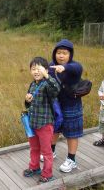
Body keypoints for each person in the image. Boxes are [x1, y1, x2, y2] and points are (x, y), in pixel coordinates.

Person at [23, 57, 60, 183]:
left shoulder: (47, 84)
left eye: (39, 69)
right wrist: (27, 101)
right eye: (33, 69)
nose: (36, 71)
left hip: (45, 124)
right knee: (34, 148)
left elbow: (56, 89)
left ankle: (47, 174)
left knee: (46, 151)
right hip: (33, 123)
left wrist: (48, 76)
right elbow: (29, 106)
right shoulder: (32, 84)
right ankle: (34, 167)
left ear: (46, 70)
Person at [49, 39, 83, 173]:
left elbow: (76, 68)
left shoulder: (74, 66)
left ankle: (71, 160)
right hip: (56, 104)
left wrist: (64, 67)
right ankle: (51, 152)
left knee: (72, 133)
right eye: (58, 53)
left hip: (71, 105)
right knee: (54, 128)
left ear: (70, 55)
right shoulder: (51, 66)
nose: (61, 56)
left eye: (64, 53)